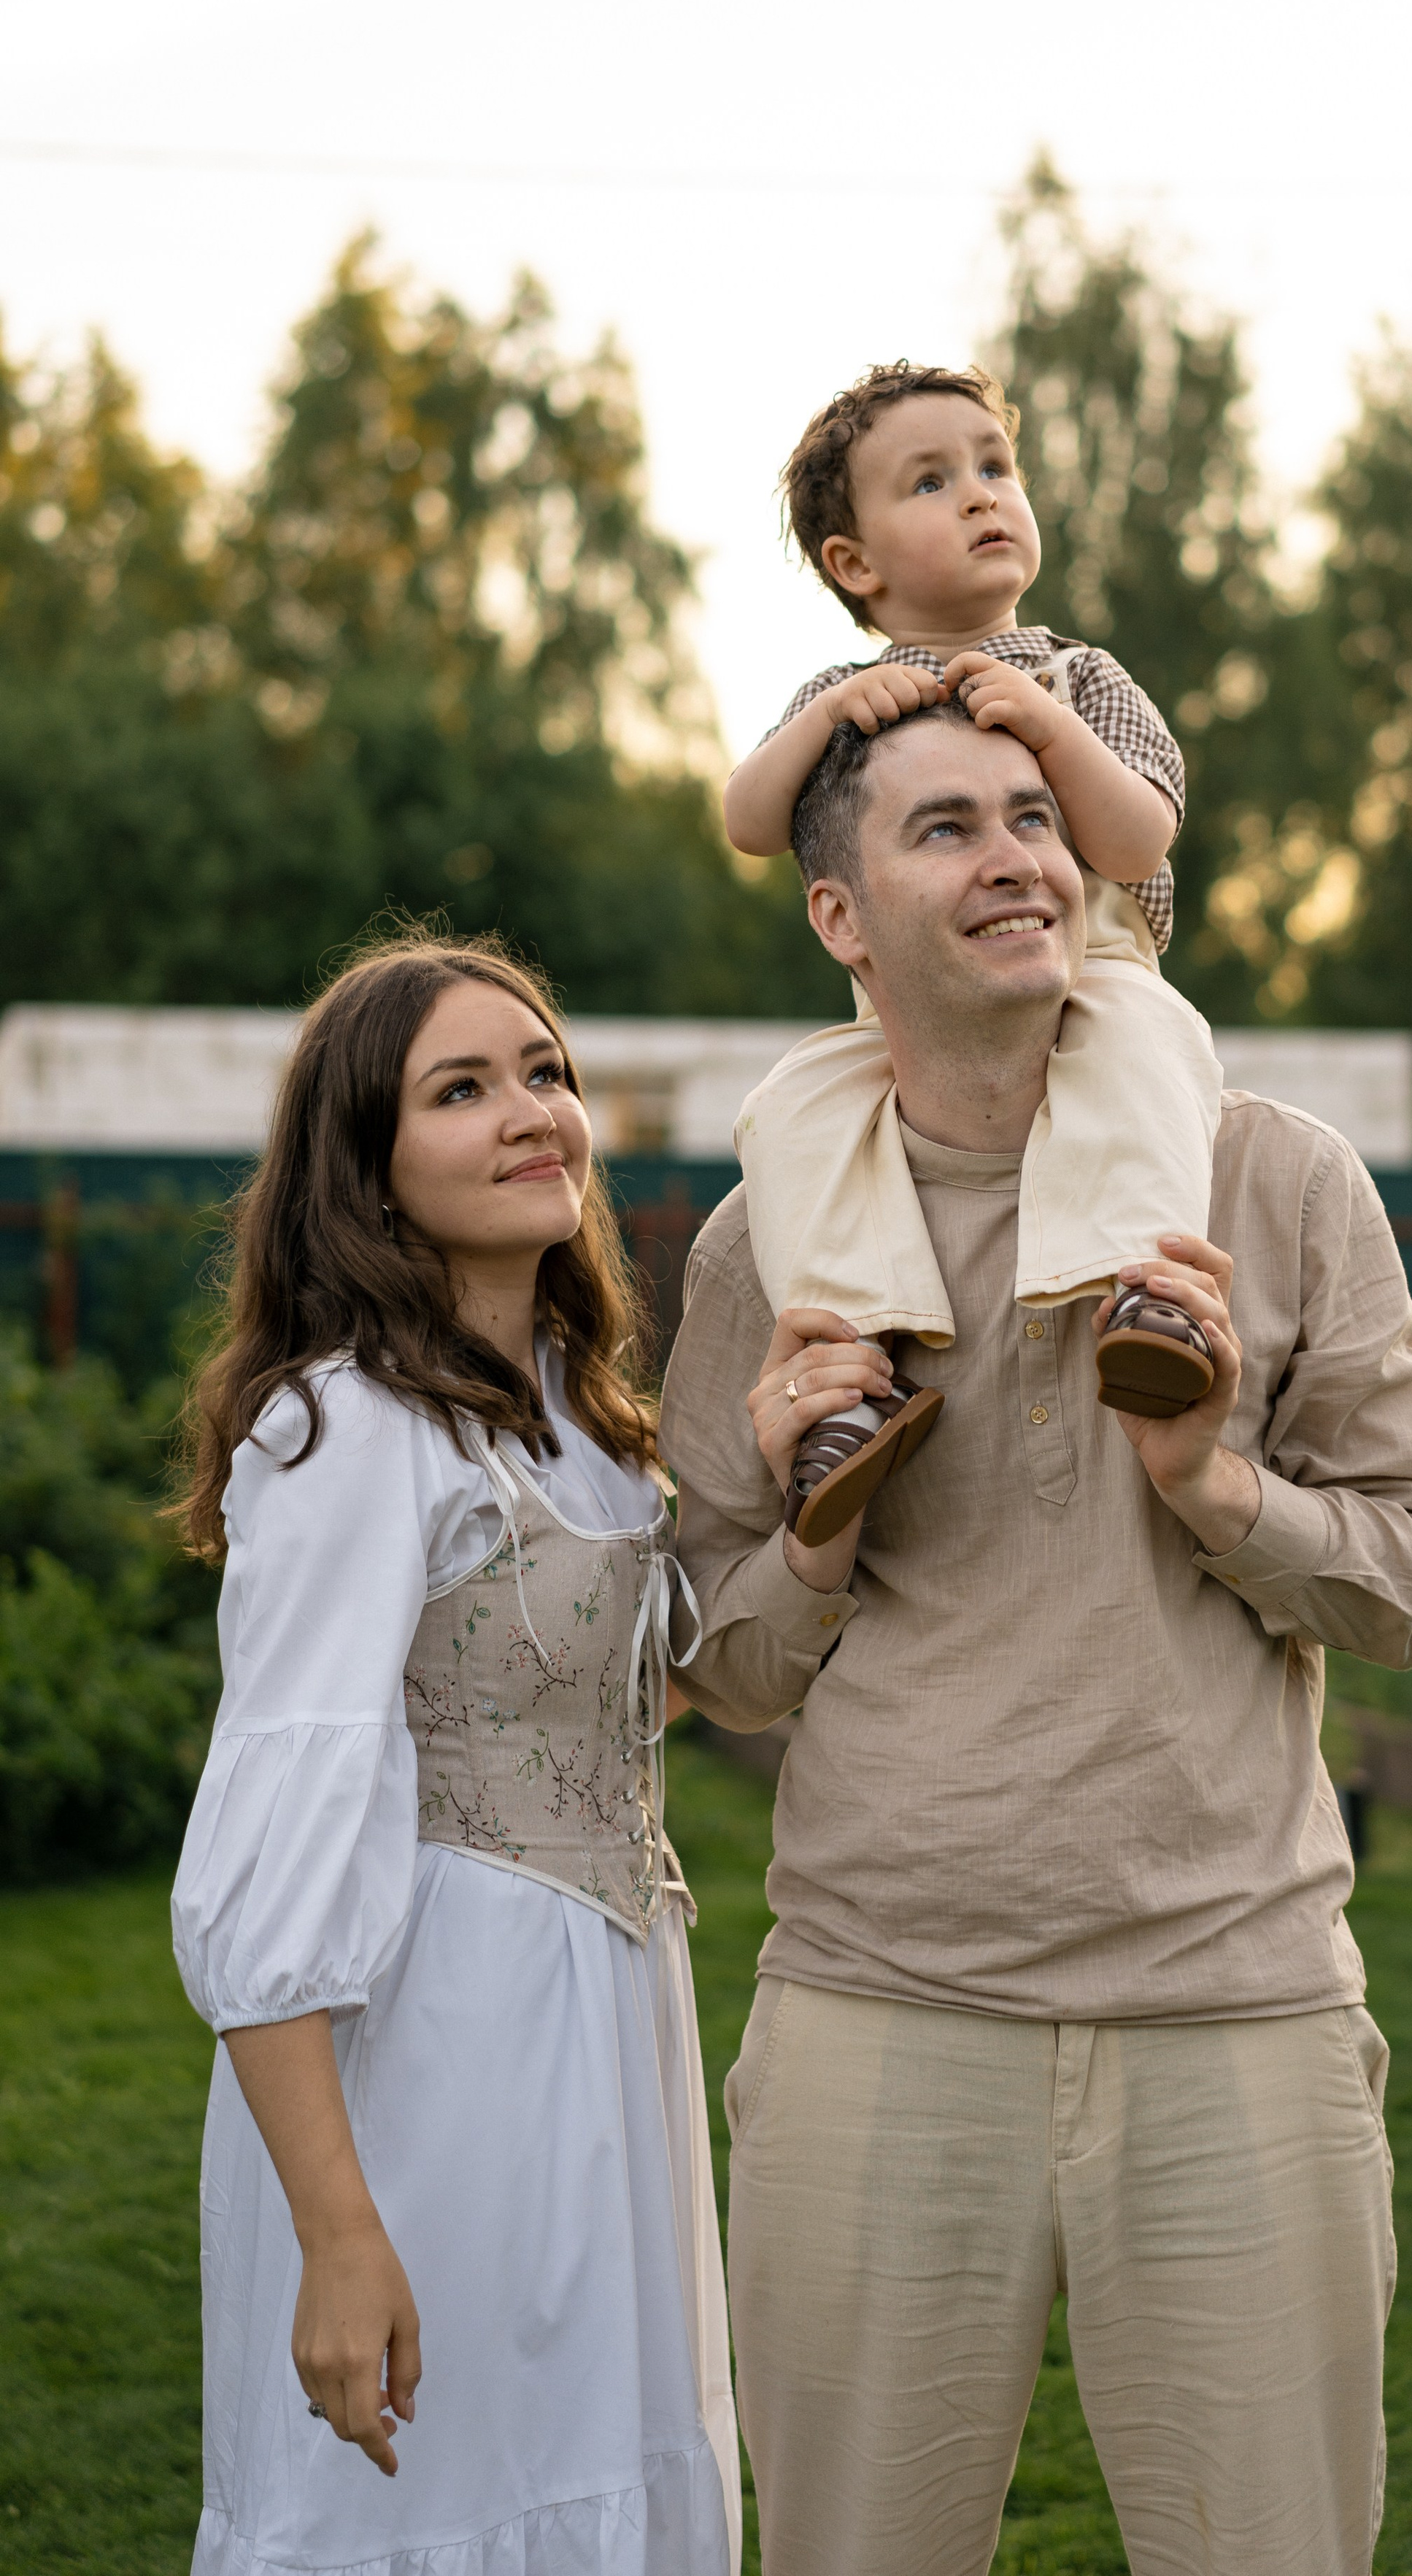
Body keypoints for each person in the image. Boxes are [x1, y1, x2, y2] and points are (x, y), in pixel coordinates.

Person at [661, 707, 1412, 2576]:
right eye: (947, 830)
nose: (1019, 856)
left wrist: (1212, 1485)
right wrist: (813, 1522)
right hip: (879, 2013)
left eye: (1037, 818)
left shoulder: (1273, 1183)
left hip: (1234, 2013)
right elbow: (720, 1671)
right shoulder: (756, 1250)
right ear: (840, 916)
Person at [169, 935, 738, 2576]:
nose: (530, 1113)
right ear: (369, 1166)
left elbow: (593, 1702)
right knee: (451, 2494)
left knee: (599, 2465)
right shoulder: (343, 1433)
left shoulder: (581, 1415)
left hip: (609, 2016)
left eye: (545, 1073)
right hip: (440, 2042)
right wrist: (335, 2235)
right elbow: (269, 1873)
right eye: (462, 1088)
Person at [719, 361, 1226, 1546]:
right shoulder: (845, 697)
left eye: (996, 467)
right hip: (910, 1026)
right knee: (793, 1112)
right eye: (934, 480)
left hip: (1088, 980)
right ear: (857, 565)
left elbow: (1142, 834)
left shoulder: (1079, 677)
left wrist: (1044, 727)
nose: (983, 494)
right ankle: (853, 1375)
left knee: (1153, 1055)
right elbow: (748, 823)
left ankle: (1149, 1302)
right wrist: (815, 728)